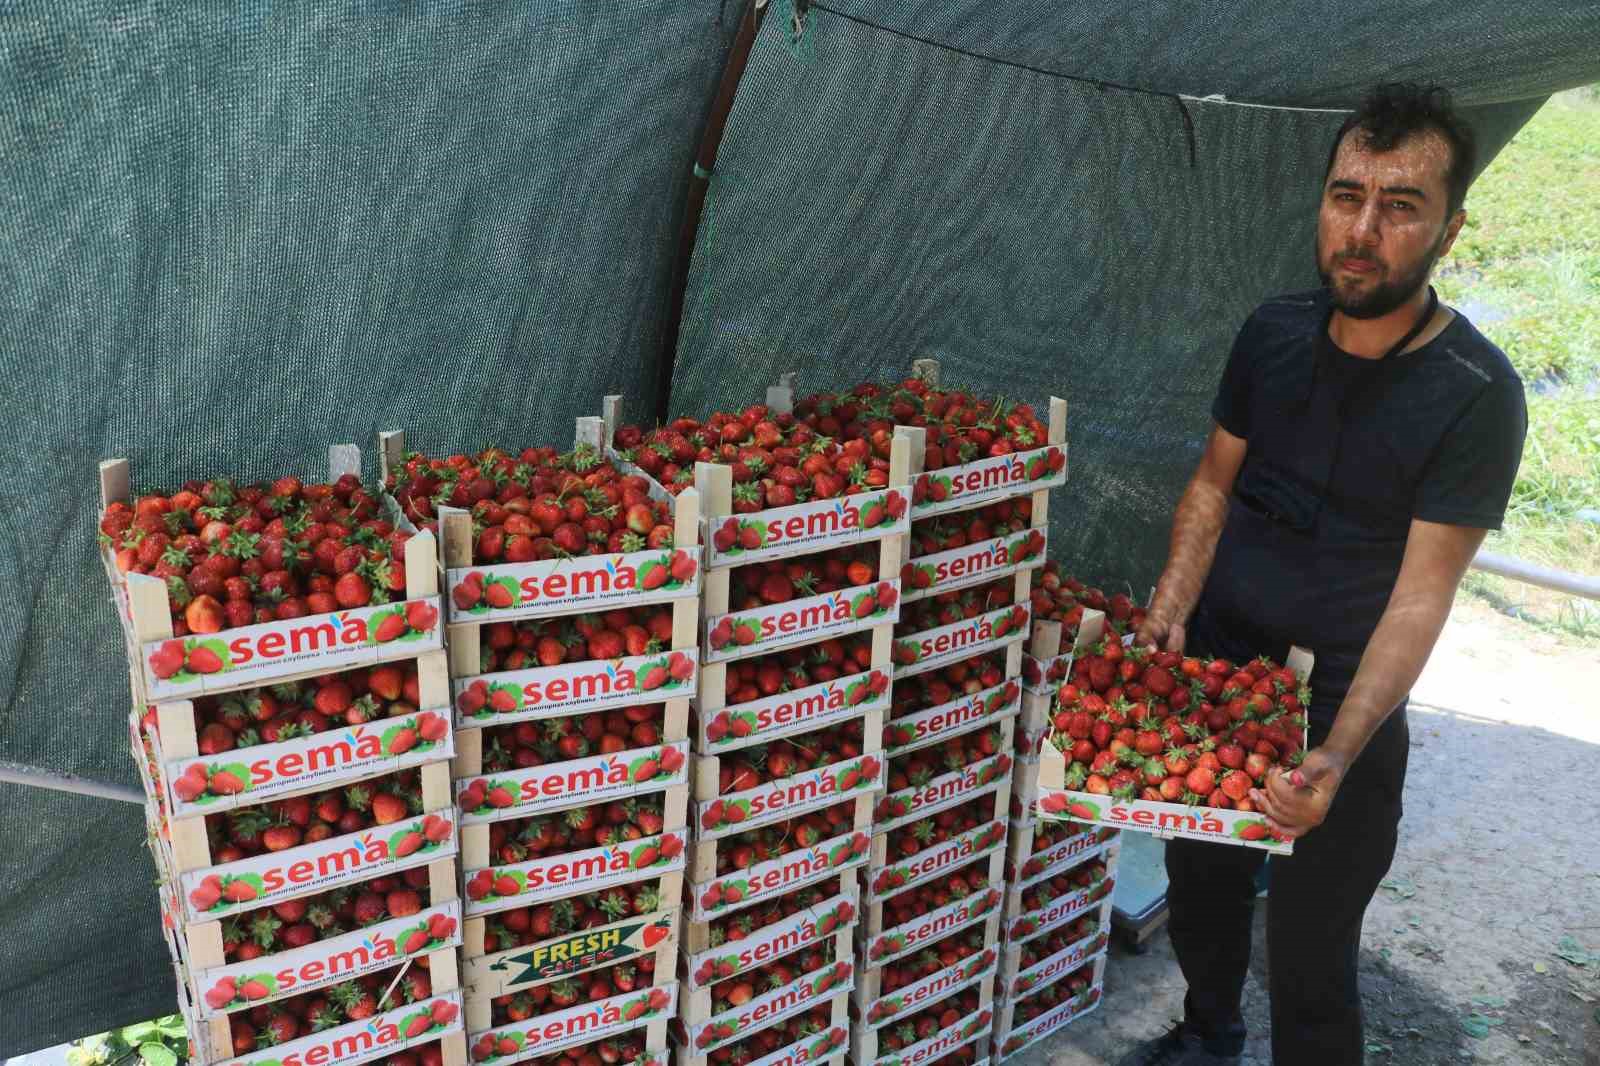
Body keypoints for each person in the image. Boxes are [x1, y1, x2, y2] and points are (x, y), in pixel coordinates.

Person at [1118, 83, 1528, 1066]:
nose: (1362, 229)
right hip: (1218, 673)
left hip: (1343, 699)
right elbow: (1213, 486)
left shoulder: (1474, 394)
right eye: (1347, 196)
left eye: (1399, 206)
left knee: (1309, 955)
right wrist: (1171, 603)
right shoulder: (1270, 332)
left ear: (1448, 228)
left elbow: (1422, 594)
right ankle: (1209, 1030)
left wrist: (1337, 754)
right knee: (1203, 892)